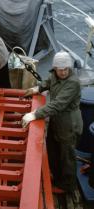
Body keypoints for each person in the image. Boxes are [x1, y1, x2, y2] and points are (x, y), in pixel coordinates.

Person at [22, 51, 83, 195]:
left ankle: (67, 186)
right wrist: (38, 88)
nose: (63, 72)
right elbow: (49, 82)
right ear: (55, 68)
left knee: (67, 156)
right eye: (60, 69)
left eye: (66, 69)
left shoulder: (73, 83)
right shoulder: (54, 74)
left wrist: (35, 114)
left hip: (69, 124)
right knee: (53, 149)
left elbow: (57, 104)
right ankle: (56, 176)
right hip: (56, 121)